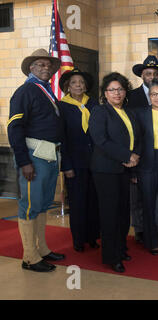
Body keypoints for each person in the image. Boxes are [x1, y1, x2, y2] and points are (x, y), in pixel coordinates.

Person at [7, 48, 66, 272]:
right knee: (30, 206)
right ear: (31, 68)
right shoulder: (25, 92)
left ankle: (41, 249)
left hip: (50, 156)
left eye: (48, 65)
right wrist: (24, 162)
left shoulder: (45, 90)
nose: (46, 68)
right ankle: (30, 257)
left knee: (42, 204)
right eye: (40, 65)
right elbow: (14, 128)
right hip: (34, 157)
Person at [89, 72, 141, 273]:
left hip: (125, 169)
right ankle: (111, 256)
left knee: (122, 212)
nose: (117, 93)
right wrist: (126, 156)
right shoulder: (100, 112)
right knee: (110, 214)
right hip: (106, 170)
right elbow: (100, 140)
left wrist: (134, 156)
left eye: (120, 89)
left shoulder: (129, 112)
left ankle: (120, 248)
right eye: (112, 90)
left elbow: (137, 137)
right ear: (105, 93)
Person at [129, 55, 158, 243]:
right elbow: (132, 133)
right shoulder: (131, 97)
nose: (152, 76)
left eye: (155, 73)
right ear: (142, 75)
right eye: (148, 73)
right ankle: (142, 231)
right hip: (142, 159)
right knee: (140, 200)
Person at [58, 68, 100, 253]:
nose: (78, 85)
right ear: (68, 86)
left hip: (95, 162)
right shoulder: (62, 106)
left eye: (81, 82)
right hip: (74, 163)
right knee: (77, 202)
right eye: (74, 83)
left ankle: (92, 236)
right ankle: (78, 239)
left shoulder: (93, 104)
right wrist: (66, 165)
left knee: (93, 201)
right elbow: (62, 138)